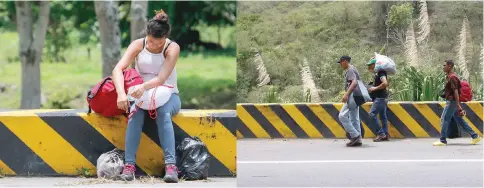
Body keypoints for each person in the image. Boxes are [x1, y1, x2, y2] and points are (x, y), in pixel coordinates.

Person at [112, 9, 181, 183]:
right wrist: (121, 94)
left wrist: (142, 86)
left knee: (163, 114)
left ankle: (171, 166)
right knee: (134, 114)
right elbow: (118, 69)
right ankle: (129, 166)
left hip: (168, 93)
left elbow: (161, 78)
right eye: (150, 41)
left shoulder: (172, 48)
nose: (154, 45)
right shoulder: (138, 45)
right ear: (147, 35)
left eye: (158, 43)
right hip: (141, 96)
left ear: (165, 38)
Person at [433, 60, 482, 146]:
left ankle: (442, 140)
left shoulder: (452, 77)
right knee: (458, 118)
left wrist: (458, 104)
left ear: (450, 66)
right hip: (452, 101)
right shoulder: (450, 76)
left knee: (444, 119)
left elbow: (456, 91)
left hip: (452, 101)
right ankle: (475, 136)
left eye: (445, 65)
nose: (443, 67)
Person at [337, 55, 363, 147]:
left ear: (344, 61)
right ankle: (358, 139)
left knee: (342, 116)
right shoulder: (353, 68)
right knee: (354, 118)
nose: (340, 65)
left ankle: (355, 135)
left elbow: (354, 82)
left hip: (353, 96)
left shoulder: (350, 69)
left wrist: (346, 94)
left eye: (340, 63)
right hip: (357, 96)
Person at [366, 59, 390, 142]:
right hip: (382, 97)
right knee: (383, 117)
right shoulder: (378, 73)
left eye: (370, 65)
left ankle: (381, 133)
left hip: (380, 98)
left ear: (375, 65)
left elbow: (385, 83)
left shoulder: (381, 73)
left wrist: (374, 88)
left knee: (372, 114)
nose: (369, 67)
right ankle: (385, 135)